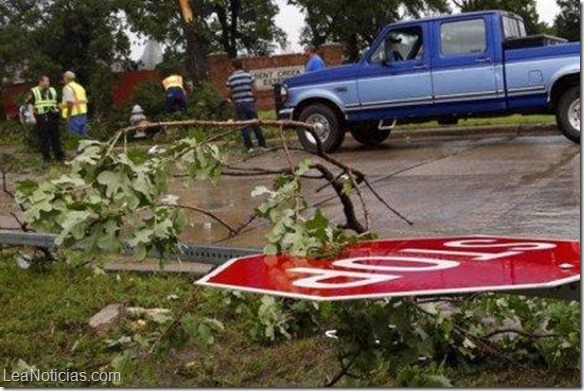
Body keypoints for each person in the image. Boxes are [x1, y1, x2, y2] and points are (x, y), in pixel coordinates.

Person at [225, 59, 267, 153]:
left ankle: (249, 147)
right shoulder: (248, 76)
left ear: (233, 67)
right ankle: (262, 145)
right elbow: (254, 89)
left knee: (243, 125)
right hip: (249, 102)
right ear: (242, 65)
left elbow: (228, 93)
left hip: (239, 104)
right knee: (255, 123)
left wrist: (233, 99)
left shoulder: (230, 78)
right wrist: (254, 98)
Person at [26, 75, 65, 162]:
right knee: (44, 138)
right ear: (40, 82)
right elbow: (30, 104)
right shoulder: (34, 91)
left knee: (56, 137)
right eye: (46, 81)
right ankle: (47, 158)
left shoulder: (52, 90)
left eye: (48, 81)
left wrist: (64, 112)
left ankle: (59, 157)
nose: (48, 83)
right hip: (42, 117)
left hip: (53, 116)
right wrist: (32, 116)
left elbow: (58, 102)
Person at [61, 71, 88, 136]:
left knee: (74, 138)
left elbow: (69, 103)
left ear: (66, 78)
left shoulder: (67, 88)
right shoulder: (80, 87)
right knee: (83, 138)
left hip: (74, 116)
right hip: (83, 114)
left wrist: (68, 115)